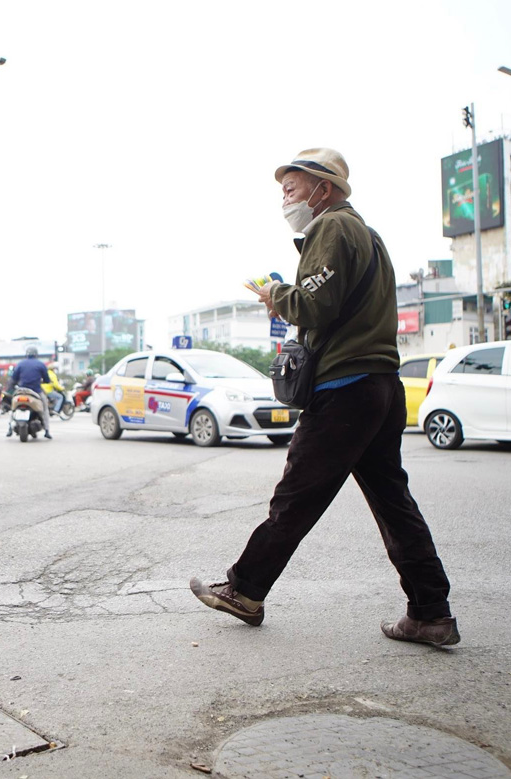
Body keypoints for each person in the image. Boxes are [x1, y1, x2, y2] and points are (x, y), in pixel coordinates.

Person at [190, 148, 458, 648]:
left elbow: (315, 305)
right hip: (380, 385)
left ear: (323, 188)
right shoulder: (369, 237)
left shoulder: (332, 228)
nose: (285, 200)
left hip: (345, 389)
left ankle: (245, 590)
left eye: (291, 190)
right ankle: (430, 613)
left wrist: (277, 293)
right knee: (392, 501)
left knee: (296, 496)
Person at [9, 345, 52, 439]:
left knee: (12, 408)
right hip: (36, 391)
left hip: (21, 391)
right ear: (36, 354)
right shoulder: (41, 364)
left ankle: (9, 428)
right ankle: (47, 430)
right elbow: (47, 379)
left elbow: (13, 379)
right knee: (44, 409)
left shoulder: (20, 364)